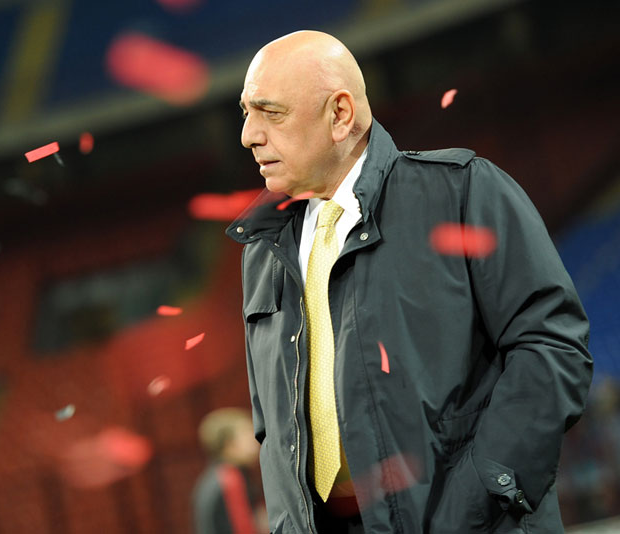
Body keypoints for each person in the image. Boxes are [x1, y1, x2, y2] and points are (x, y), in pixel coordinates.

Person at [226, 30, 593, 534]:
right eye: (246, 112)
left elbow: (551, 346)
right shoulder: (263, 252)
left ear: (340, 115)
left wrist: (483, 497)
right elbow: (273, 429)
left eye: (271, 112)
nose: (248, 134)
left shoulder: (461, 193)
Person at [193, 407, 267, 534]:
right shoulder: (230, 479)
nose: (254, 439)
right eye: (247, 433)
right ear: (229, 445)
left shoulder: (217, 476)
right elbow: (245, 529)